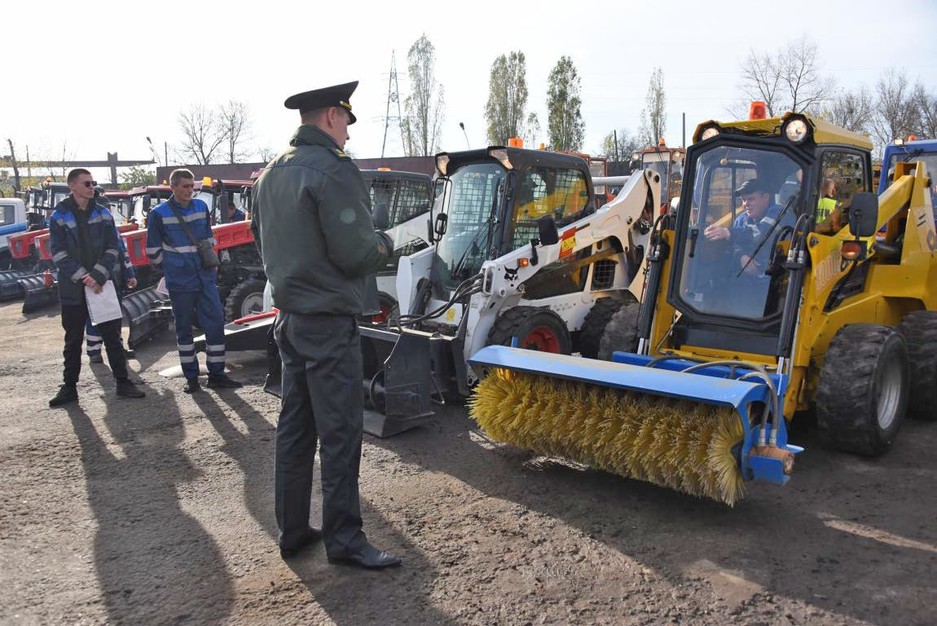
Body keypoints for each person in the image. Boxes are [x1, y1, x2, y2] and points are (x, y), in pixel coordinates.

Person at [251, 81, 400, 568]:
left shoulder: (270, 173)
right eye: (347, 124)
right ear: (333, 117)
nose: (349, 137)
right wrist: (385, 244)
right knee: (340, 433)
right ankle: (346, 541)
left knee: (296, 429)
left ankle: (293, 530)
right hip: (329, 324)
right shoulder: (332, 170)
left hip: (289, 320)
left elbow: (263, 244)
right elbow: (356, 251)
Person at [48, 169, 146, 407]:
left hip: (102, 286)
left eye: (93, 183)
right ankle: (69, 388)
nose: (92, 187)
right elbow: (58, 253)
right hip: (74, 289)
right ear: (72, 186)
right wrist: (84, 276)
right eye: (87, 183)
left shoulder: (103, 214)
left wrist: (98, 276)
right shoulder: (59, 216)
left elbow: (114, 247)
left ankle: (123, 383)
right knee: (72, 341)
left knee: (112, 337)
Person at [145, 168, 242, 393]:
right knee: (184, 330)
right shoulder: (159, 213)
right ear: (173, 187)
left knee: (215, 325)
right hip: (180, 281)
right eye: (185, 186)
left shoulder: (201, 206)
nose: (190, 190)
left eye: (192, 186)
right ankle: (191, 378)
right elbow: (152, 250)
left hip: (204, 277)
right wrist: (171, 266)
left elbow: (208, 237)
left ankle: (217, 374)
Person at [86, 190, 137, 363]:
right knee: (95, 316)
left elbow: (123, 254)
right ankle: (94, 351)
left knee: (114, 316)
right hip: (99, 280)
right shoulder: (92, 231)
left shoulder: (112, 229)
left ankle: (117, 348)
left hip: (115, 279)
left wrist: (129, 274)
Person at [704, 177, 789, 275]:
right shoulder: (741, 220)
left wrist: (728, 232)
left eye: (751, 199)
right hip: (748, 279)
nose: (745, 204)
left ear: (765, 198)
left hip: (778, 278)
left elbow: (762, 233)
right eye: (744, 200)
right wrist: (741, 257)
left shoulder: (780, 213)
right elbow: (734, 246)